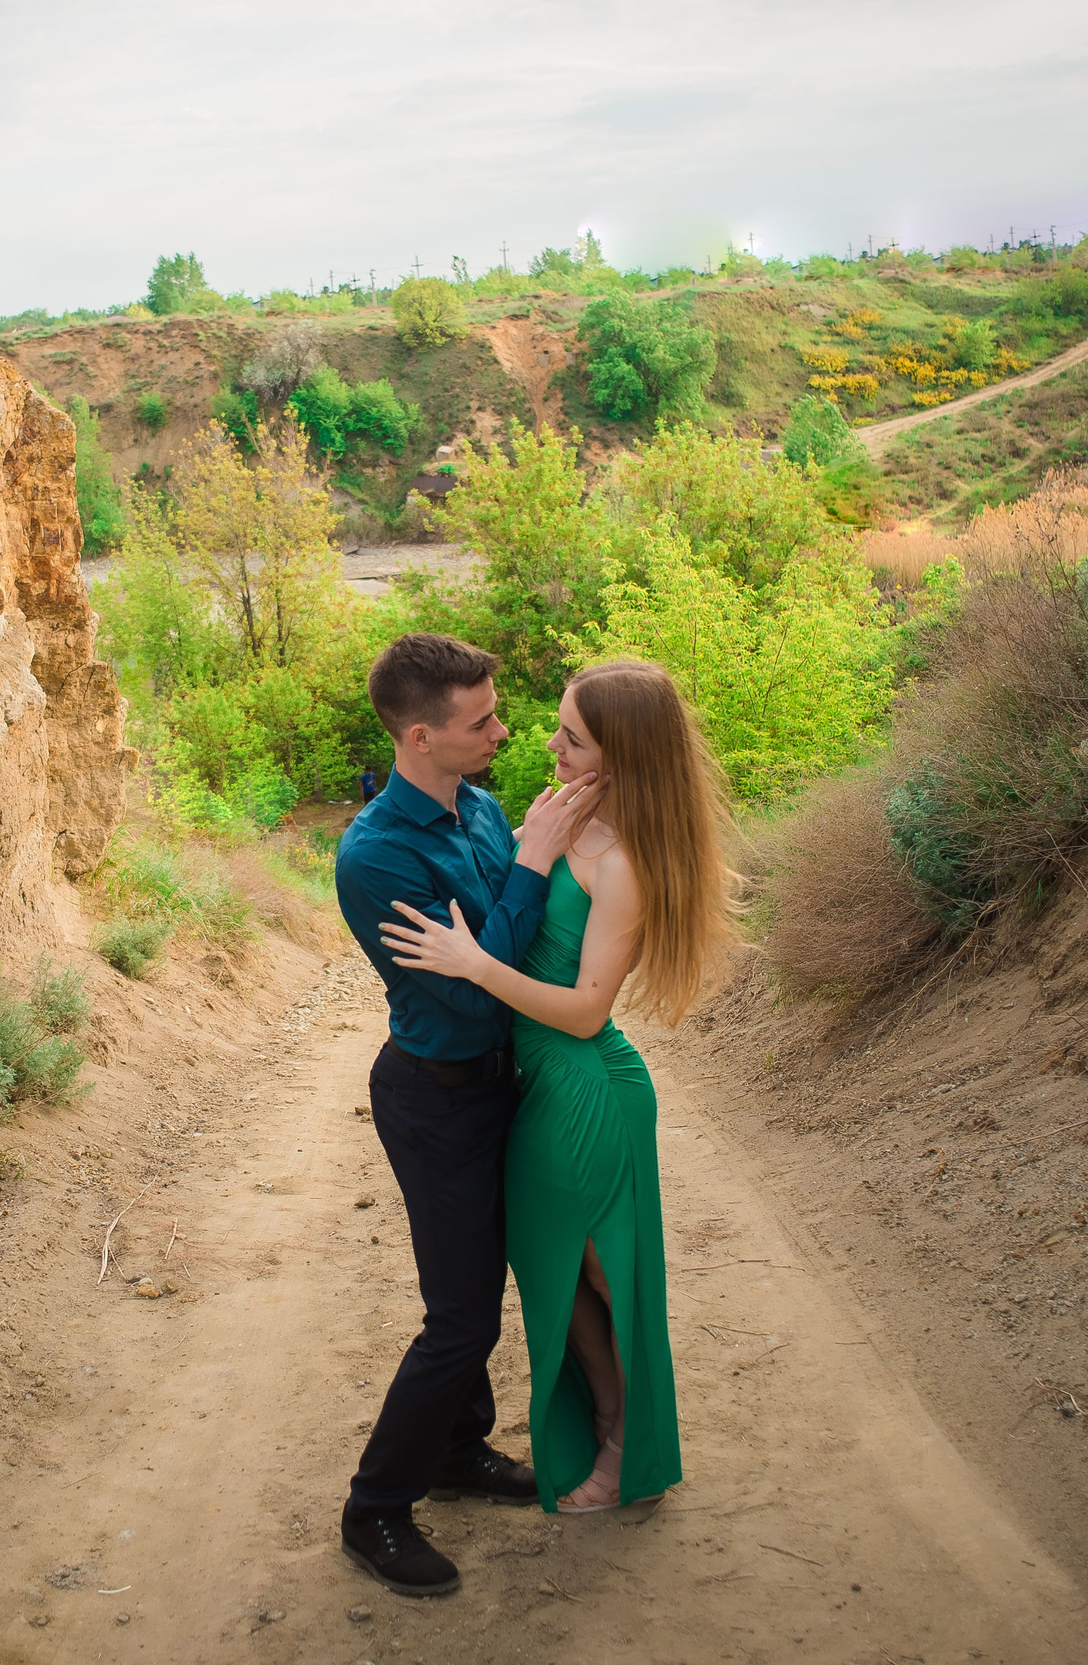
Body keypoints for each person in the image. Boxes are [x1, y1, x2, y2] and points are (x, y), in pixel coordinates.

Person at [380, 660, 734, 1514]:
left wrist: (475, 964)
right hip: (534, 1087)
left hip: (583, 1089)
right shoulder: (561, 815)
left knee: (608, 1279)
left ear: (626, 755)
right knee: (556, 1274)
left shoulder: (625, 862)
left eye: (571, 735)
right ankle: (604, 1422)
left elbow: (583, 1012)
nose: (548, 743)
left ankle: (624, 1442)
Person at [332, 633, 606, 1598]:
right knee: (459, 1316)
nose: (502, 728)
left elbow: (508, 950)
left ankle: (458, 1448)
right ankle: (375, 1507)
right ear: (419, 736)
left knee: (493, 1285)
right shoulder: (375, 857)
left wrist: (544, 858)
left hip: (506, 1087)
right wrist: (532, 864)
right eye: (480, 719)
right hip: (435, 1095)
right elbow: (476, 996)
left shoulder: (485, 808)